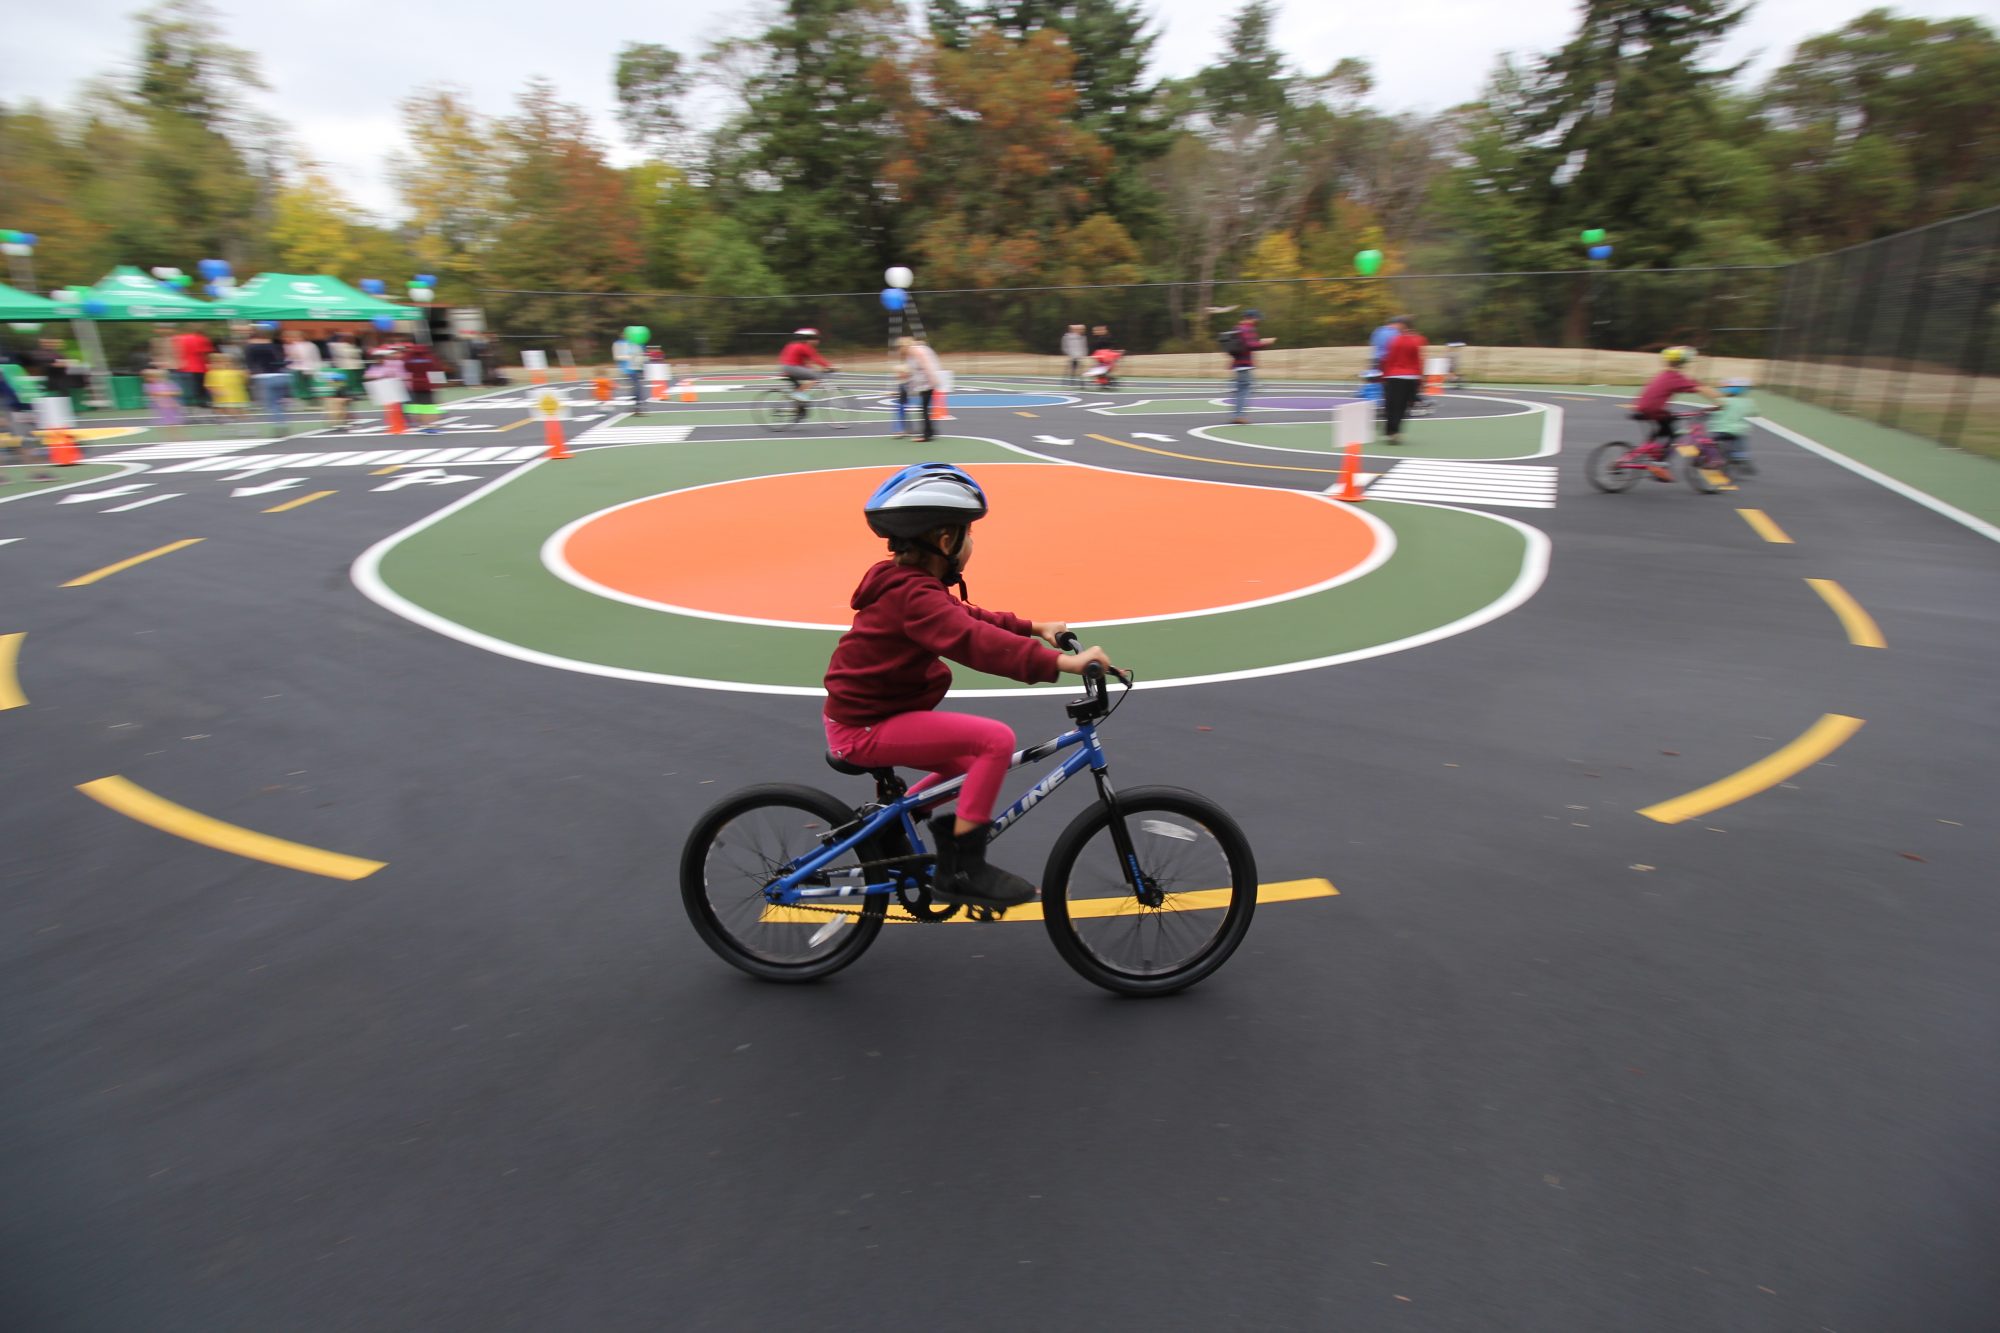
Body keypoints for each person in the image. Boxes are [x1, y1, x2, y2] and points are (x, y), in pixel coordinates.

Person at [822, 463, 1118, 910]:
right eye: (968, 532)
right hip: (862, 728)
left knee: (969, 768)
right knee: (994, 741)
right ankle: (963, 869)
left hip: (870, 715)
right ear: (945, 541)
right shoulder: (914, 596)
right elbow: (973, 642)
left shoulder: (912, 586)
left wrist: (1035, 627)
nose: (972, 541)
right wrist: (1065, 662)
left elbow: (969, 618)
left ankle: (890, 829)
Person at [1630, 346, 1723, 478]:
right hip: (1655, 410)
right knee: (1672, 433)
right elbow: (1701, 388)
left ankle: (1651, 453)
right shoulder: (1675, 377)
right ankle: (1659, 464)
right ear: (1683, 363)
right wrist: (1722, 401)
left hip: (1642, 407)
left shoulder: (1664, 374)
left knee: (1664, 427)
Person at [1378, 316, 1427, 444]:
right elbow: (1419, 361)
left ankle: (1390, 431)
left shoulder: (1395, 340)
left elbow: (1389, 359)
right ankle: (1397, 431)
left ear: (1403, 326)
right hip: (1411, 377)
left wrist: (1384, 376)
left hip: (1394, 376)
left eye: (1397, 325)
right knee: (1403, 406)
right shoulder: (1417, 340)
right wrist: (1420, 379)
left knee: (1391, 405)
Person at [1224, 309, 1277, 424]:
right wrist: (1266, 342)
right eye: (1257, 318)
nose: (1258, 321)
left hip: (1237, 364)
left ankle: (1237, 415)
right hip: (1245, 364)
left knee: (1240, 390)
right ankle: (1239, 416)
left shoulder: (1237, 328)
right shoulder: (1248, 328)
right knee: (1245, 390)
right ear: (1252, 317)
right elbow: (1251, 345)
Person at [778, 328, 836, 421]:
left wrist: (809, 369)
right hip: (792, 367)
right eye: (815, 338)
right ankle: (798, 394)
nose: (817, 341)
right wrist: (830, 366)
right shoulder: (804, 346)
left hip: (787, 367)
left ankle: (799, 410)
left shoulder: (792, 345)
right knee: (816, 377)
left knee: (800, 387)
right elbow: (816, 359)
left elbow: (799, 360)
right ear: (808, 339)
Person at [1709, 377, 1759, 474]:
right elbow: (1755, 412)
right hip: (1738, 431)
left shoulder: (1721, 401)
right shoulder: (1747, 402)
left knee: (1711, 444)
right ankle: (1741, 456)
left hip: (1719, 429)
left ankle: (1712, 460)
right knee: (1741, 441)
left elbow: (1713, 412)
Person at [902, 337, 945, 443]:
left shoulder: (917, 352)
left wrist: (933, 381)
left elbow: (927, 366)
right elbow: (914, 371)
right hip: (925, 383)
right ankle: (930, 431)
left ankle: (927, 434)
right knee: (924, 408)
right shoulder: (915, 351)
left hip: (927, 383)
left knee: (924, 408)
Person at [243, 329, 289, 423]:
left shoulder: (250, 348)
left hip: (263, 377)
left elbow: (250, 365)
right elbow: (282, 361)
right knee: (278, 401)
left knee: (271, 403)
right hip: (282, 375)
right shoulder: (276, 346)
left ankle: (279, 423)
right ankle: (282, 419)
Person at [402, 340, 443, 433]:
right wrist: (438, 385)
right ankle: (430, 425)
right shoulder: (430, 357)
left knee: (418, 406)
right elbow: (437, 368)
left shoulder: (409, 357)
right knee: (429, 406)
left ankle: (420, 423)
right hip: (427, 384)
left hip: (415, 384)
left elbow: (406, 367)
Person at [171, 326, 213, 408]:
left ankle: (187, 402)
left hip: (182, 366)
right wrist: (209, 363)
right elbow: (204, 354)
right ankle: (202, 402)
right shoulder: (202, 339)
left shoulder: (177, 338)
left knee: (185, 386)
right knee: (201, 386)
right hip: (199, 367)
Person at [205, 348, 249, 419]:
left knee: (240, 416)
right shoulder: (212, 373)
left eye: (229, 361)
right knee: (228, 415)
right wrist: (216, 392)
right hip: (223, 400)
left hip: (238, 398)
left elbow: (244, 382)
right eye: (221, 362)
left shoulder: (236, 372)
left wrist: (246, 376)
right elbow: (209, 386)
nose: (226, 363)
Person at [283, 329, 323, 401]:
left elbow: (295, 358)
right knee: (308, 385)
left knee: (301, 386)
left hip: (300, 369)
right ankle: (308, 397)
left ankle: (303, 398)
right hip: (309, 368)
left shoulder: (295, 346)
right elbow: (316, 357)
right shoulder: (311, 345)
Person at [613, 331, 646, 415]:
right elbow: (617, 357)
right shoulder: (618, 344)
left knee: (637, 387)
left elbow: (641, 355)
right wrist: (630, 357)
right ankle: (637, 406)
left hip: (636, 369)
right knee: (637, 387)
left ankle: (636, 405)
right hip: (627, 369)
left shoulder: (636, 343)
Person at [328, 331, 364, 397]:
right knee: (342, 384)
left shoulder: (352, 346)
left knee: (347, 383)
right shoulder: (338, 346)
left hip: (347, 367)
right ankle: (340, 394)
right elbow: (350, 354)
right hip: (344, 367)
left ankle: (344, 394)